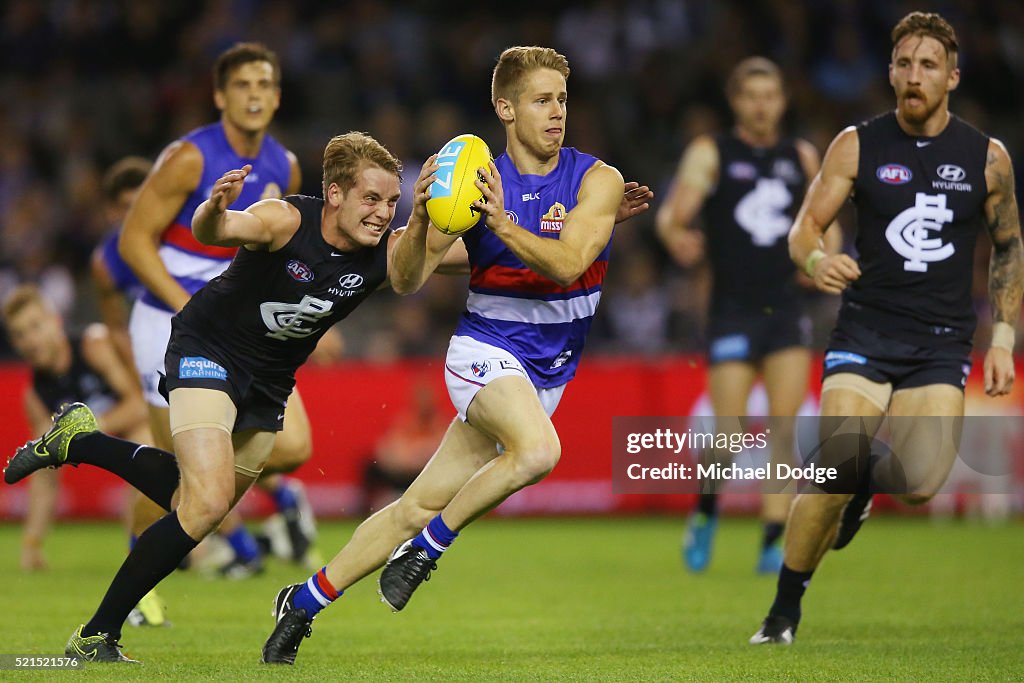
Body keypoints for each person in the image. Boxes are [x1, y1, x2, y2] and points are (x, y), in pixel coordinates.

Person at [261, 45, 646, 666]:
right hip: (483, 352)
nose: (557, 113)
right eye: (542, 100)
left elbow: (571, 263)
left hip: (548, 372)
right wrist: (418, 225)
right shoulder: (466, 184)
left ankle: (303, 601)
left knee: (414, 504)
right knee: (541, 450)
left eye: (563, 100)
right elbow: (411, 279)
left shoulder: (595, 179)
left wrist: (501, 225)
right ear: (506, 108)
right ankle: (428, 551)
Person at [3, 130, 448, 663]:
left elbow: (440, 264)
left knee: (191, 504)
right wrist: (213, 210)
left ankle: (82, 441)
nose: (382, 212)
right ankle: (97, 635)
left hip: (269, 383)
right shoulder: (286, 219)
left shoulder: (389, 250)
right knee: (207, 502)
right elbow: (221, 228)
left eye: (392, 201)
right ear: (334, 194)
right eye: (371, 199)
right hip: (207, 349)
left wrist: (463, 217)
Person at [750, 11, 1022, 645]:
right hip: (864, 332)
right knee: (830, 470)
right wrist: (818, 260)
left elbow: (1009, 247)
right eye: (903, 63)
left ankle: (872, 477)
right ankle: (781, 614)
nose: (913, 75)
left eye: (927, 65)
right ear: (891, 71)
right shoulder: (857, 144)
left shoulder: (987, 157)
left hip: (941, 343)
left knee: (924, 485)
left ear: (952, 77)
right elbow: (803, 231)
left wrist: (1003, 339)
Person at [118, 42, 317, 573]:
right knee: (182, 477)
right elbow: (134, 241)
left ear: (277, 98)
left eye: (263, 86)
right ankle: (142, 569)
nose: (253, 95)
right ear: (219, 96)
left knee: (293, 446)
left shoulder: (285, 167)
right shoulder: (189, 158)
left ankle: (217, 523)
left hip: (239, 325)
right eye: (241, 86)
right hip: (168, 319)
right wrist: (189, 307)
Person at [657, 57, 840, 574]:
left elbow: (828, 224)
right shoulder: (712, 152)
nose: (761, 105)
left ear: (783, 101)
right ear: (736, 101)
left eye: (771, 95)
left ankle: (772, 540)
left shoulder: (801, 156)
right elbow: (674, 216)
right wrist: (677, 237)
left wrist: (819, 258)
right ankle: (707, 509)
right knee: (729, 433)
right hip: (732, 309)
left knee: (784, 430)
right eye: (751, 95)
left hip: (784, 308)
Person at [0, 286, 151, 579]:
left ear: (54, 321)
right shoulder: (35, 395)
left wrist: (85, 428)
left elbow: (139, 405)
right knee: (43, 458)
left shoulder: (92, 346)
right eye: (20, 334)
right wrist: (31, 542)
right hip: (113, 434)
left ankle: (156, 552)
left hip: (148, 423)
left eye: (35, 326)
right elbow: (44, 474)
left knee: (145, 443)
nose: (30, 340)